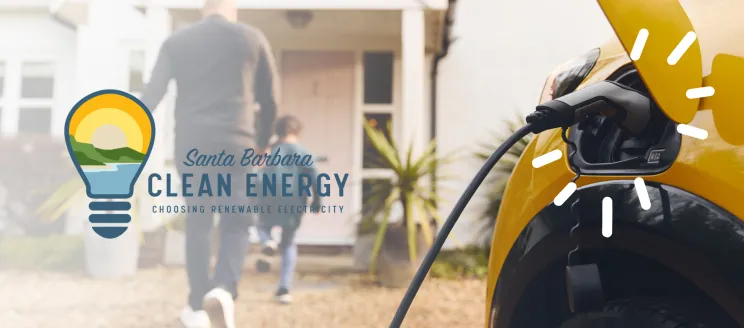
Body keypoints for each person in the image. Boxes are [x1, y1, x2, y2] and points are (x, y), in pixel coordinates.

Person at [139, 0, 279, 327]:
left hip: (192, 144)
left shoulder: (177, 42)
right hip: (237, 143)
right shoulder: (251, 38)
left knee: (199, 222)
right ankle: (224, 289)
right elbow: (270, 98)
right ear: (233, 8)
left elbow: (150, 96)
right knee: (237, 218)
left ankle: (198, 305)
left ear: (204, 8)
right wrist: (262, 141)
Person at [254, 115, 322, 304]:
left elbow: (257, 175)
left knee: (261, 225)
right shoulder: (302, 152)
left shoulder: (270, 151)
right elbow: (315, 177)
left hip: (269, 199)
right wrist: (317, 201)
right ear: (297, 132)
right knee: (289, 243)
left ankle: (267, 242)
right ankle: (284, 289)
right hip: (294, 202)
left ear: (278, 131)